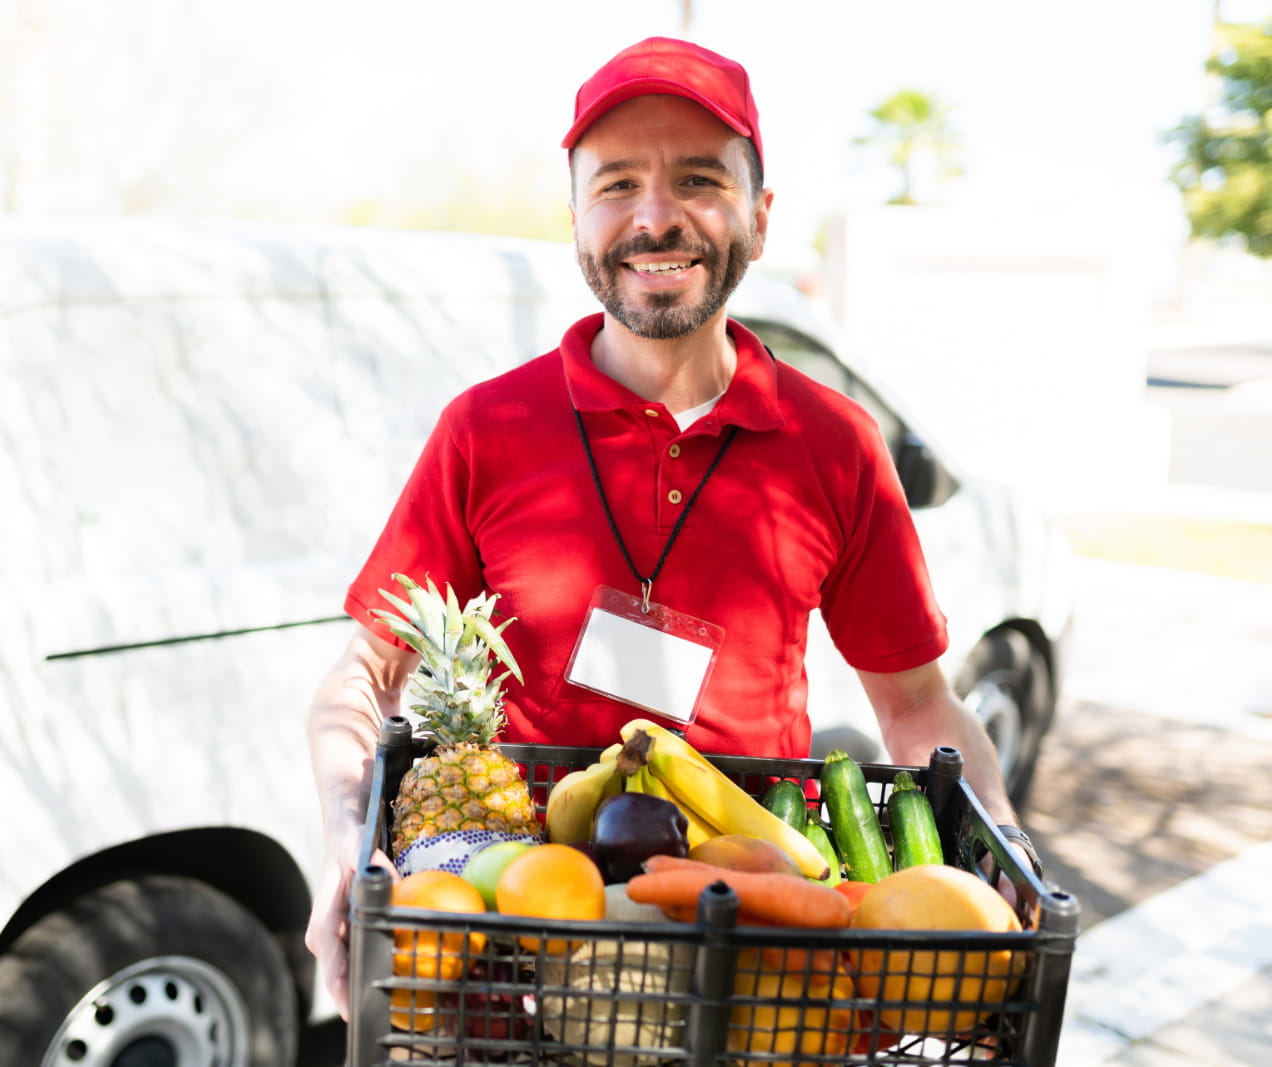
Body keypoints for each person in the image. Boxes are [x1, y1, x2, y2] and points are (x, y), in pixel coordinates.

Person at [305, 36, 1033, 1017]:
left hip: (756, 958)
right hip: (515, 947)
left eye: (697, 179)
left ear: (760, 218)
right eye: (616, 185)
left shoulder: (834, 443)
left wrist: (1011, 859)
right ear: (577, 220)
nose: (655, 217)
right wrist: (343, 840)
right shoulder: (485, 429)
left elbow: (914, 707)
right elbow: (365, 671)